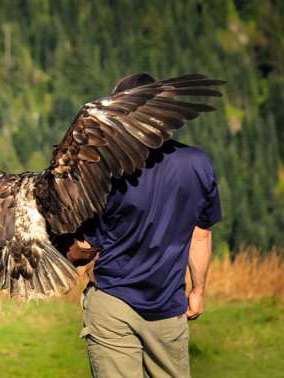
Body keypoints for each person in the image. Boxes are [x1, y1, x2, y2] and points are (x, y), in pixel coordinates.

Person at [67, 73, 222, 378]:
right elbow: (200, 237)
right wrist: (198, 291)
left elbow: (87, 246)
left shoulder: (107, 171)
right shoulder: (198, 163)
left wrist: (65, 254)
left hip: (112, 303)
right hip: (168, 306)